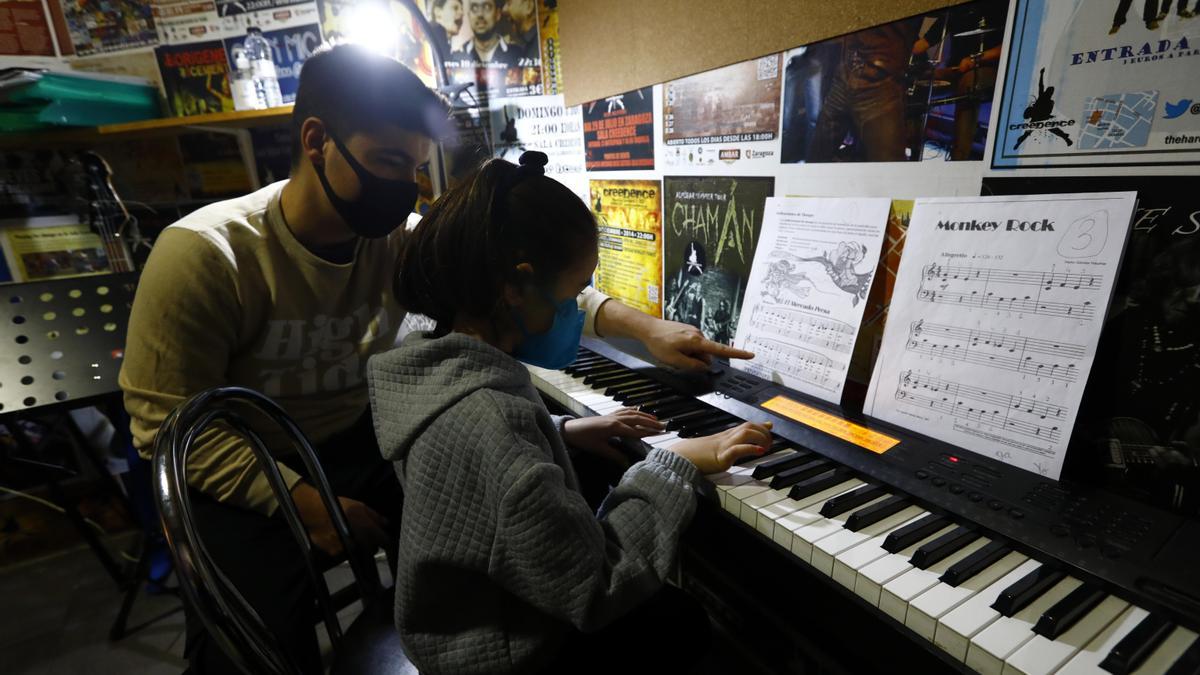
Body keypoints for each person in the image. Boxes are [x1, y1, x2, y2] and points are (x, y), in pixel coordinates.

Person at [121, 43, 751, 675]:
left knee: (570, 484)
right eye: (389, 162)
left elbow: (519, 281)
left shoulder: (396, 240)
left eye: (414, 168)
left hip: (363, 437)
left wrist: (642, 336)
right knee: (242, 640)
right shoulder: (205, 254)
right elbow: (166, 429)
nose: (405, 188)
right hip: (250, 463)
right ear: (317, 141)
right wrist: (311, 503)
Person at [370, 151, 774, 674]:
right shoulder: (492, 422)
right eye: (572, 293)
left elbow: (473, 466)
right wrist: (672, 463)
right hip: (509, 653)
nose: (576, 308)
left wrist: (561, 428)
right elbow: (597, 587)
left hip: (462, 622)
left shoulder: (430, 354)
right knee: (682, 622)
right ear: (514, 286)